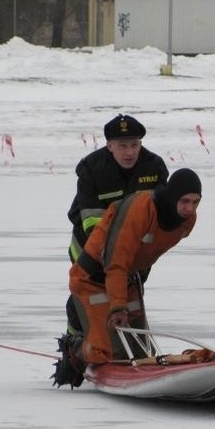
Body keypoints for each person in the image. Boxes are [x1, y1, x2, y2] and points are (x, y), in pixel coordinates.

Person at [51, 168, 202, 388]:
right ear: (171, 196)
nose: (190, 209)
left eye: (196, 202)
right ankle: (74, 348)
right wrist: (118, 307)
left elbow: (148, 251)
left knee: (140, 350)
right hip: (92, 279)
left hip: (125, 280)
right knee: (103, 352)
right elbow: (116, 262)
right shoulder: (140, 210)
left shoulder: (186, 222)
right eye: (185, 201)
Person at [63, 114, 169, 336]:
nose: (129, 152)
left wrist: (141, 261)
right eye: (122, 146)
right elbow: (93, 223)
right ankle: (73, 350)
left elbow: (157, 221)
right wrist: (112, 263)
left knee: (130, 301)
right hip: (88, 247)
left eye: (134, 145)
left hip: (133, 250)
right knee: (87, 300)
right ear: (109, 146)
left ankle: (131, 349)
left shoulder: (154, 167)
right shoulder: (91, 168)